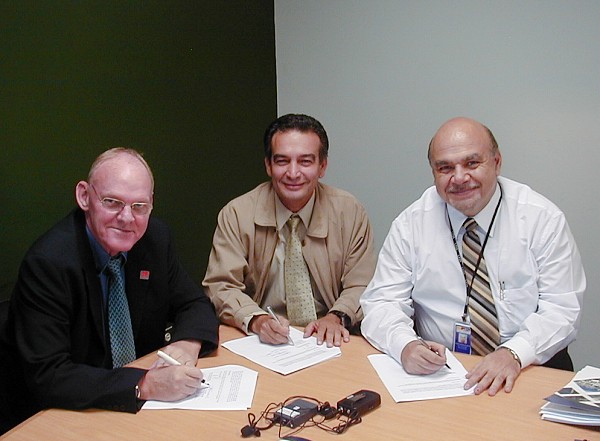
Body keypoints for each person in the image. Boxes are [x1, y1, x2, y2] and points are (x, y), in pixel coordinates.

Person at [360, 117, 585, 396]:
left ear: (497, 163)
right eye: (445, 168)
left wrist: (513, 353)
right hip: (446, 373)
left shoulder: (541, 219)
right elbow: (381, 303)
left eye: (472, 163)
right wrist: (405, 345)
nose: (459, 178)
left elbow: (562, 309)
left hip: (530, 366)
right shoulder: (411, 224)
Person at [0, 148, 219, 432]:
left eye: (139, 206)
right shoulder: (49, 262)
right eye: (113, 202)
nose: (127, 217)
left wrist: (187, 343)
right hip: (62, 415)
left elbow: (194, 303)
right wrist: (144, 384)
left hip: (139, 413)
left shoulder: (154, 239)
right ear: (84, 196)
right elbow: (49, 375)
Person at [203, 114, 376, 348]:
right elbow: (221, 286)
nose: (293, 173)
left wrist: (336, 317)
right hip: (262, 342)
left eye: (305, 162)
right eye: (282, 161)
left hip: (330, 338)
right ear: (268, 165)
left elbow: (362, 284)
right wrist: (257, 320)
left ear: (322, 166)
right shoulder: (236, 214)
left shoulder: (349, 212)